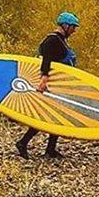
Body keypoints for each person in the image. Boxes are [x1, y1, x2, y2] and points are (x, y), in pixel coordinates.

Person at [15, 12, 79, 159]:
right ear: (65, 25)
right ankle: (23, 143)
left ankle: (50, 149)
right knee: (46, 117)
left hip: (58, 86)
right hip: (49, 85)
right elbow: (46, 59)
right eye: (73, 27)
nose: (74, 30)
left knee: (56, 117)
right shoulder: (52, 40)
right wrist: (44, 79)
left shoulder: (61, 40)